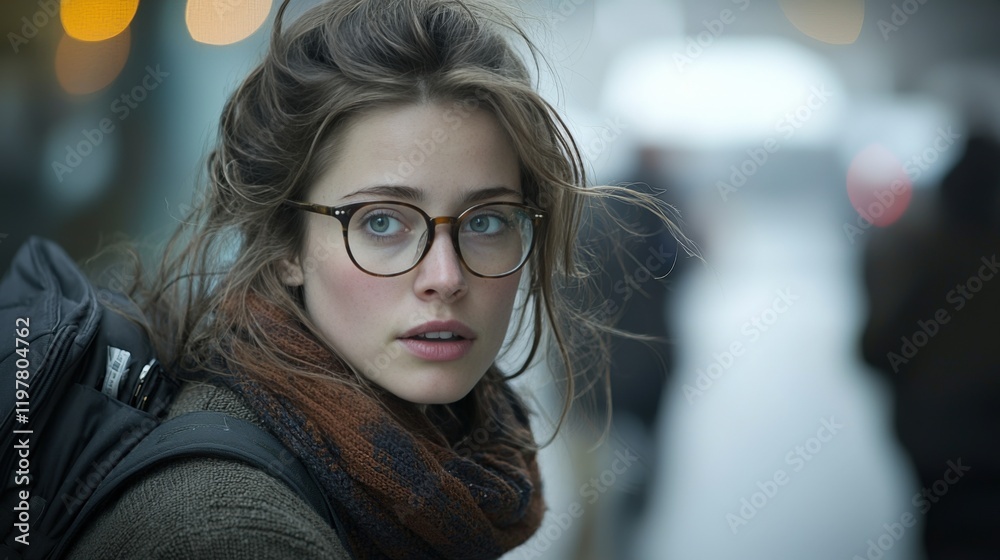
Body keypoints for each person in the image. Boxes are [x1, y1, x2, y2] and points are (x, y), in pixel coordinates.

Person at [66, 1, 689, 558]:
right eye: (383, 221)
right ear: (287, 244)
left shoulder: (426, 475)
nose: (444, 277)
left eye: (487, 219)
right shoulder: (233, 533)